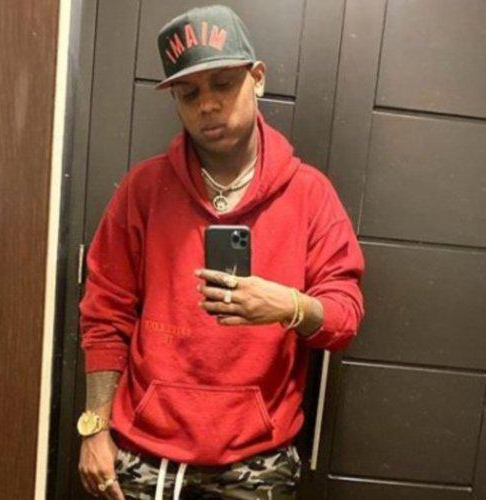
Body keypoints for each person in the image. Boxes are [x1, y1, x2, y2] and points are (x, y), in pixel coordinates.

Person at [76, 5, 365, 499]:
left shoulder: (309, 194)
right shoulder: (143, 190)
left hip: (258, 462)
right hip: (147, 457)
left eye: (223, 84)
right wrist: (94, 429)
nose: (207, 105)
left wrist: (290, 306)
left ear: (258, 78)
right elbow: (105, 314)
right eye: (189, 93)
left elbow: (345, 316)